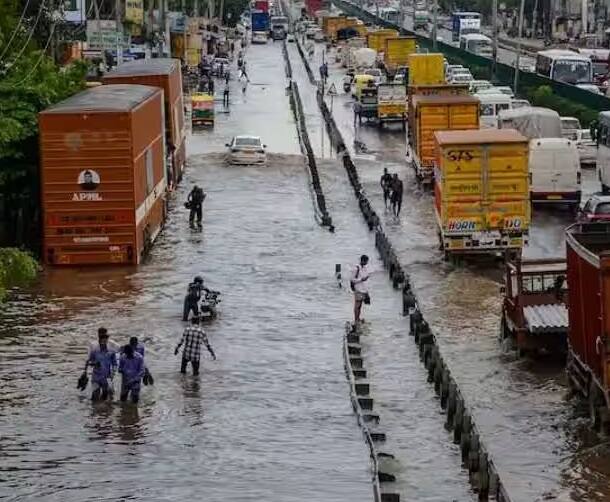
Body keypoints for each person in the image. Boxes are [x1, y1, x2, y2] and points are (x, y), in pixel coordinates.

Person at [86, 328, 117, 401]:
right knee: (95, 395)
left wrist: (113, 373)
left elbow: (114, 364)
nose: (103, 343)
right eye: (101, 341)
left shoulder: (111, 352)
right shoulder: (94, 351)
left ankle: (104, 411)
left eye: (105, 341)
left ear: (107, 341)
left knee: (106, 396)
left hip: (107, 377)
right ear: (99, 341)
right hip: (96, 377)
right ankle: (94, 410)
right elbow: (89, 362)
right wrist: (94, 363)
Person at [350, 255, 370, 329]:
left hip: (363, 289)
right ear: (363, 260)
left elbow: (365, 280)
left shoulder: (364, 268)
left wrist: (366, 291)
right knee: (357, 305)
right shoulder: (356, 268)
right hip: (358, 289)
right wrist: (361, 279)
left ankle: (358, 318)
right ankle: (356, 320)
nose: (367, 263)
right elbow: (352, 279)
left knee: (360, 305)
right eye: (366, 261)